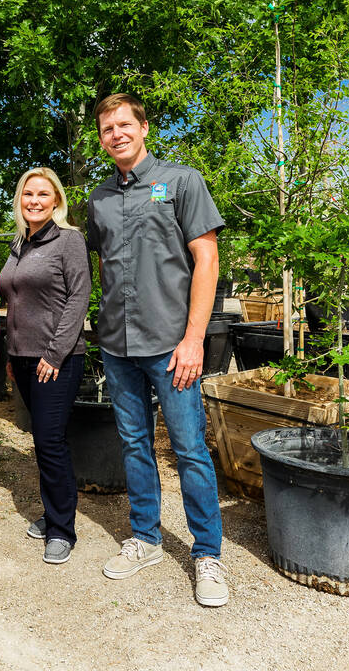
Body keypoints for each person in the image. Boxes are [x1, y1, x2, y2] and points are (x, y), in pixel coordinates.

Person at [85, 93, 229, 607]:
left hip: (172, 346)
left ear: (144, 127)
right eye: (107, 128)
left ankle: (207, 554)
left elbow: (206, 261)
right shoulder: (99, 198)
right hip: (118, 345)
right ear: (100, 138)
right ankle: (145, 538)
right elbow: (96, 267)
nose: (116, 133)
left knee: (189, 448)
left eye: (125, 124)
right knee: (133, 445)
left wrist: (194, 338)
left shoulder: (181, 181)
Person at [0, 167, 91, 565]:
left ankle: (61, 529)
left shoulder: (69, 240)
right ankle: (53, 510)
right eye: (27, 194)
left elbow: (78, 297)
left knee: (50, 441)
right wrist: (9, 353)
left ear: (56, 201)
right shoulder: (21, 243)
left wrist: (54, 354)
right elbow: (15, 302)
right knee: (41, 439)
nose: (34, 201)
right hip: (21, 357)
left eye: (42, 194)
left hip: (56, 359)